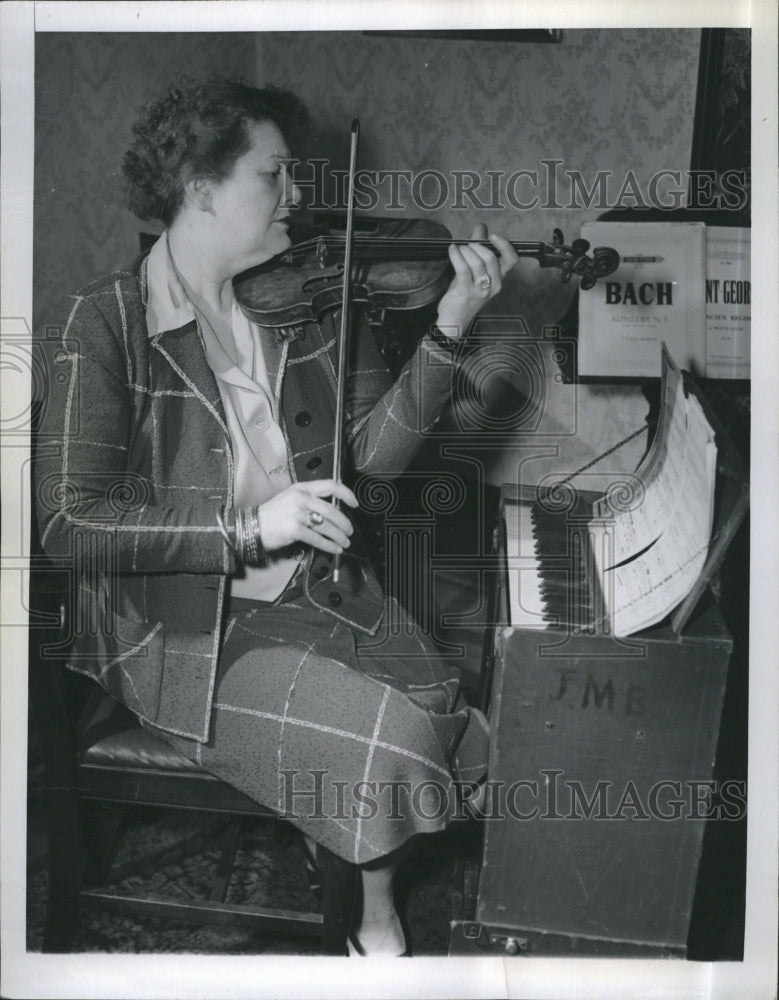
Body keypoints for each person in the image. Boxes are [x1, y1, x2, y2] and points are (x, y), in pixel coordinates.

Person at [35, 76, 519, 956]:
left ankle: (334, 824)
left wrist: (451, 325)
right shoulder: (101, 321)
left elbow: (370, 466)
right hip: (188, 627)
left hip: (321, 592)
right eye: (277, 174)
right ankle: (374, 921)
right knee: (400, 742)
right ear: (200, 187)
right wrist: (249, 528)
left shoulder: (307, 300)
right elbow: (71, 522)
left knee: (467, 720)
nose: (301, 195)